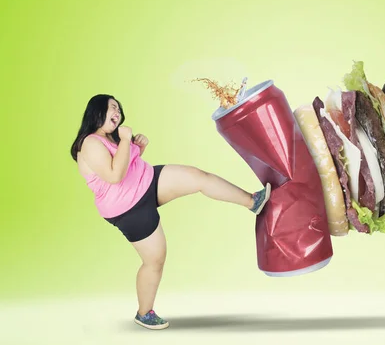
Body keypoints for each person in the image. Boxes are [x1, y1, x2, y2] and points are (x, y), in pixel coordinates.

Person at [70, 94, 271, 330]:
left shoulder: (111, 139)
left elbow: (125, 165)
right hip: (127, 208)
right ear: (96, 111)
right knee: (155, 260)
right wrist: (125, 141)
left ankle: (252, 202)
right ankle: (144, 313)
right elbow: (114, 176)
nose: (117, 112)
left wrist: (136, 147)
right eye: (111, 107)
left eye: (118, 108)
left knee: (198, 177)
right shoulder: (90, 143)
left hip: (148, 181)